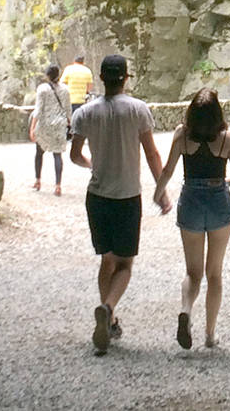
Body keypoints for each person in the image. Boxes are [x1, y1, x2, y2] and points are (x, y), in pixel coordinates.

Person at [69, 54, 171, 355]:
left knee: (107, 259)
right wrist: (161, 190)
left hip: (97, 196)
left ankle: (109, 319)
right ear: (126, 77)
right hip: (127, 196)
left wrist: (93, 164)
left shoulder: (85, 114)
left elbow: (75, 155)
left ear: (101, 77)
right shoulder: (138, 110)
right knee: (125, 264)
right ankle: (108, 307)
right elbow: (152, 154)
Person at [152, 88, 230, 350]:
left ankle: (185, 310)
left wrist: (158, 194)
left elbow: (168, 169)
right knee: (214, 273)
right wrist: (223, 182)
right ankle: (210, 334)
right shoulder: (229, 141)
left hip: (190, 200)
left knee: (193, 273)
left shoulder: (182, 135)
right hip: (218, 201)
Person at [29, 64, 72, 195]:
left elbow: (38, 109)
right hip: (59, 125)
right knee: (57, 155)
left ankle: (37, 180)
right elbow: (68, 109)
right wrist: (70, 123)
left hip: (44, 125)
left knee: (39, 153)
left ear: (47, 75)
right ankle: (58, 185)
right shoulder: (65, 89)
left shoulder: (42, 89)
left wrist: (32, 128)